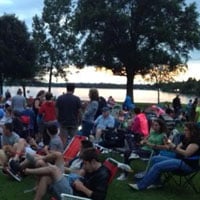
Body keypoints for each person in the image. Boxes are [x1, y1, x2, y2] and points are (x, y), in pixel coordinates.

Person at [129, 122, 200, 190]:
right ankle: (157, 183)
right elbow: (177, 148)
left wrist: (174, 147)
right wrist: (169, 143)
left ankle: (140, 185)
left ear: (193, 131)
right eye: (184, 129)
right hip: (179, 159)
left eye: (186, 130)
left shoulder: (195, 142)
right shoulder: (185, 138)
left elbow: (186, 154)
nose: (184, 131)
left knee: (158, 166)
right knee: (155, 159)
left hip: (187, 165)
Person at [23, 148, 110, 200]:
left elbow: (99, 198)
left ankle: (28, 170)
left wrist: (82, 188)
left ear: (93, 162)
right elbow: (83, 178)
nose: (84, 166)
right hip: (72, 187)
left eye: (85, 164)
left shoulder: (103, 175)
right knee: (46, 177)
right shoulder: (91, 169)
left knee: (53, 169)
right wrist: (78, 180)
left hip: (74, 196)